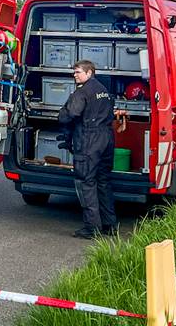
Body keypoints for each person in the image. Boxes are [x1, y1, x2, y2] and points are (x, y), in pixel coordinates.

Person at [58, 60, 118, 239]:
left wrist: (62, 114)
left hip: (89, 140)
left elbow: (70, 114)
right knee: (104, 181)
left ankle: (92, 228)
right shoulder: (103, 90)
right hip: (106, 138)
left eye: (78, 72)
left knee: (87, 182)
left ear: (89, 72)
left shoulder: (82, 92)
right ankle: (109, 224)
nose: (74, 75)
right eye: (74, 72)